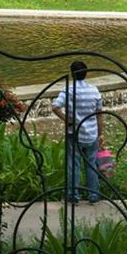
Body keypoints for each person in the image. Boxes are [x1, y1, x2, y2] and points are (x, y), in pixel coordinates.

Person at [51, 60, 104, 204]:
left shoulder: (68, 90)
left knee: (73, 165)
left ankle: (73, 196)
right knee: (91, 164)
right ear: (86, 73)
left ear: (72, 74)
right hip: (92, 134)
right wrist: (100, 134)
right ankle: (94, 196)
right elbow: (99, 114)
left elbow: (55, 107)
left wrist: (67, 119)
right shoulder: (94, 90)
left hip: (74, 133)